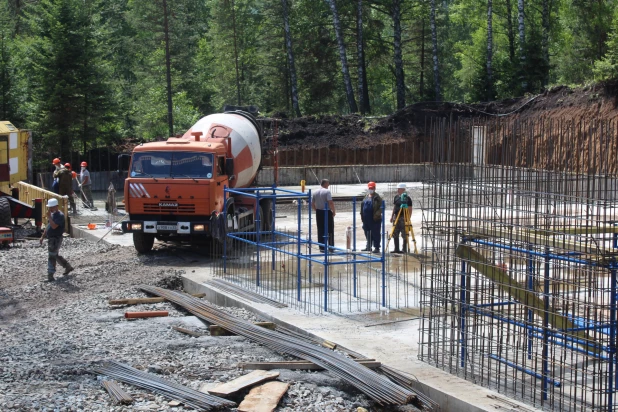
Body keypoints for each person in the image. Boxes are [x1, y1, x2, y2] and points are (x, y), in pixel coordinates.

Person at [40, 198, 73, 281]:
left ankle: (50, 275)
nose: (50, 209)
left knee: (52, 255)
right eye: (50, 207)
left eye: (52, 207)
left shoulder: (60, 216)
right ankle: (67, 266)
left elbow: (54, 226)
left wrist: (49, 217)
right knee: (55, 255)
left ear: (56, 206)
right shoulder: (53, 215)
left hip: (56, 238)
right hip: (51, 238)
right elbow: (48, 226)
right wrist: (42, 236)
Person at [311, 178, 336, 252]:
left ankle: (322, 247)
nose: (329, 185)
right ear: (325, 184)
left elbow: (312, 203)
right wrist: (333, 211)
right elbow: (330, 202)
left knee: (320, 229)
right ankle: (331, 247)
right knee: (330, 229)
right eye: (328, 183)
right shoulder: (327, 191)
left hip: (319, 212)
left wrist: (316, 209)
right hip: (327, 211)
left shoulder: (315, 192)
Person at [360, 181, 383, 253]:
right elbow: (362, 205)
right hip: (366, 218)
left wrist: (377, 215)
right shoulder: (366, 196)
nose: (371, 189)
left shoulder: (377, 197)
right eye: (370, 188)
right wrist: (362, 214)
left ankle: (376, 247)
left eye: (372, 188)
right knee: (367, 232)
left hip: (374, 219)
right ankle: (368, 246)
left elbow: (381, 208)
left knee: (375, 233)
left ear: (375, 188)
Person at [390, 183, 412, 253]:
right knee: (395, 233)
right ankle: (396, 249)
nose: (398, 190)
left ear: (403, 189)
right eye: (398, 189)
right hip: (396, 217)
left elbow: (410, 209)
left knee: (404, 233)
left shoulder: (408, 199)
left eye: (399, 189)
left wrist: (408, 218)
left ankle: (404, 249)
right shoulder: (396, 197)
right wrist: (392, 216)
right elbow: (394, 207)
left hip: (403, 217)